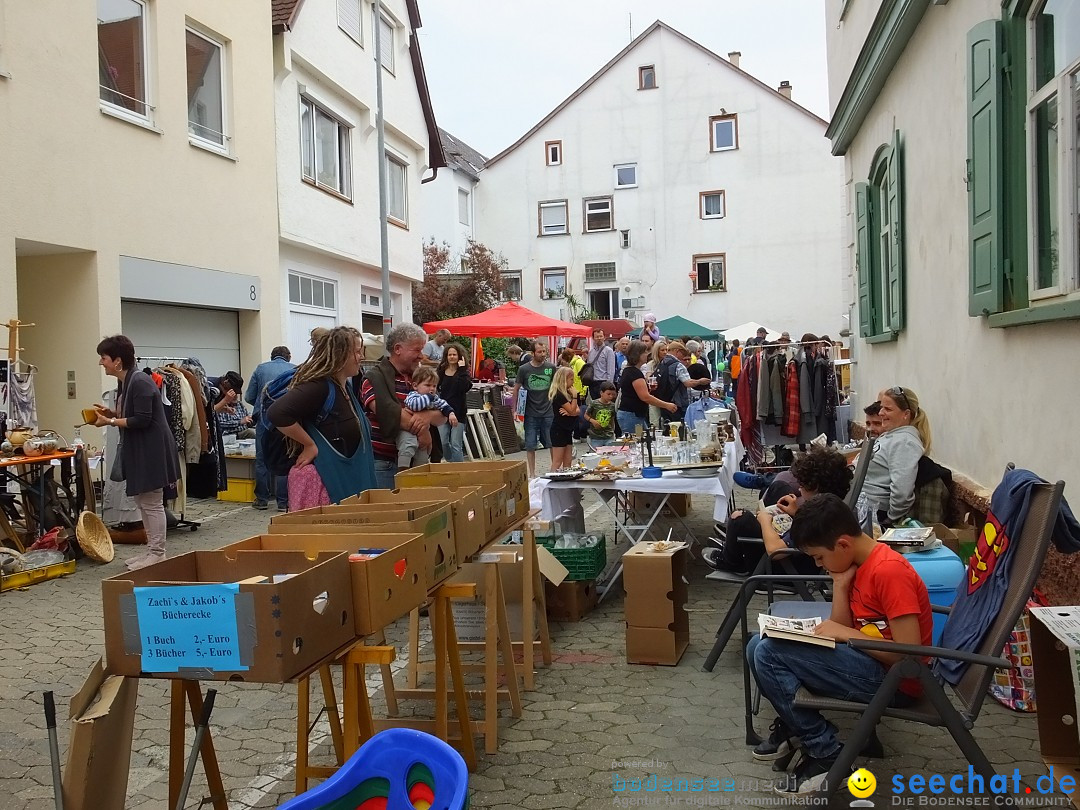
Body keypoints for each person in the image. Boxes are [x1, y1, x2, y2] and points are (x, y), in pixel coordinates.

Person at [747, 494, 932, 793]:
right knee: (758, 644)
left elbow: (909, 655)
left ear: (843, 544)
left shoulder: (889, 571)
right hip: (869, 665)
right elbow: (843, 626)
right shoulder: (858, 562)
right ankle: (801, 731)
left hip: (896, 683)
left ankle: (826, 752)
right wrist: (840, 585)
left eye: (819, 557)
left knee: (768, 654)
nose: (819, 565)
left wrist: (845, 635)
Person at [94, 335, 181, 570]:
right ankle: (151, 551)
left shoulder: (140, 381)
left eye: (104, 358)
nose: (101, 363)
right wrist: (111, 414)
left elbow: (142, 420)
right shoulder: (128, 381)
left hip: (152, 450)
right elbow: (133, 415)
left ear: (118, 361)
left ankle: (157, 553)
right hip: (142, 448)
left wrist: (110, 422)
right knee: (143, 502)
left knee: (151, 502)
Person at [703, 446, 861, 576]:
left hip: (784, 570)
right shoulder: (831, 507)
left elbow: (775, 550)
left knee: (740, 517)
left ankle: (731, 561)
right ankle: (735, 538)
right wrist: (796, 511)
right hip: (795, 553)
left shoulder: (816, 519)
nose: (799, 489)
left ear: (815, 487)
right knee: (779, 488)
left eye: (802, 486)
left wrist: (765, 521)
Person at [267, 326, 376, 509]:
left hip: (344, 485)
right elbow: (277, 412)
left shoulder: (344, 387)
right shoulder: (320, 387)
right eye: (357, 352)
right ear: (341, 355)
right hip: (325, 489)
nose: (362, 357)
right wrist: (310, 445)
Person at [361, 323, 444, 489]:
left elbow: (442, 415)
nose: (421, 356)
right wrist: (424, 430)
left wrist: (427, 417)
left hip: (418, 461)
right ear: (398, 349)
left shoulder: (421, 377)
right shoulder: (373, 377)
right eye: (417, 350)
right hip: (385, 464)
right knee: (390, 512)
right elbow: (390, 412)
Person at [862, 386, 930, 527]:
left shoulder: (905, 442)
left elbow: (902, 492)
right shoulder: (892, 435)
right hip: (862, 505)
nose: (880, 413)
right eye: (882, 408)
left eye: (888, 409)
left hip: (874, 513)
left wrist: (889, 519)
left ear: (906, 414)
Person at [245, 346, 294, 510]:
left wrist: (262, 404)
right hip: (288, 420)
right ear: (288, 357)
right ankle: (283, 502)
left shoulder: (260, 368)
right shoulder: (294, 369)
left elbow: (249, 396)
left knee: (262, 459)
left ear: (272, 356)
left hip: (265, 419)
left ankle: (262, 499)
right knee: (285, 457)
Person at [510, 341, 556, 477]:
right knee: (530, 444)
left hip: (548, 411)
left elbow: (556, 387)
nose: (543, 354)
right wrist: (515, 409)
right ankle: (532, 474)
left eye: (544, 351)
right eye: (540, 352)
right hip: (530, 412)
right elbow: (516, 389)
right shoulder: (524, 369)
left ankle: (554, 470)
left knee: (551, 442)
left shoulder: (551, 367)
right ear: (533, 353)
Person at [398, 366, 457, 469]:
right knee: (408, 445)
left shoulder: (433, 398)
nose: (432, 389)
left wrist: (450, 413)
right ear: (415, 386)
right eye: (428, 385)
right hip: (408, 429)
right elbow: (415, 405)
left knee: (423, 451)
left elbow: (443, 405)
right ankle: (403, 469)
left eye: (434, 386)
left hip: (424, 430)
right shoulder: (413, 395)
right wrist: (429, 398)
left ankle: (418, 472)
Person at [617, 340, 677, 436]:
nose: (647, 354)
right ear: (637, 355)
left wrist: (649, 389)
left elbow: (635, 393)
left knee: (645, 439)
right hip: (632, 415)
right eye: (644, 352)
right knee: (637, 443)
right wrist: (666, 405)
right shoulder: (634, 373)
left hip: (633, 414)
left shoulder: (630, 370)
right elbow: (645, 397)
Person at [654, 341, 712, 426]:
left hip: (664, 402)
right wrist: (700, 381)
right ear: (677, 351)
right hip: (677, 404)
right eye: (683, 353)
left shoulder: (662, 362)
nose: (684, 356)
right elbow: (688, 383)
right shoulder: (678, 365)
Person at [436, 343, 471, 463]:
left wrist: (461, 370)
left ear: (459, 356)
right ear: (446, 356)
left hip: (459, 411)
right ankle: (451, 463)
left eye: (454, 354)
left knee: (456, 444)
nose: (452, 357)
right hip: (442, 411)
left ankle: (460, 470)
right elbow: (435, 387)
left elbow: (465, 387)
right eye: (449, 354)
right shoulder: (441, 371)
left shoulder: (464, 372)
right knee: (443, 442)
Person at [547, 366, 579, 471]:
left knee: (568, 460)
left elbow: (577, 411)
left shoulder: (567, 393)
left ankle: (567, 481)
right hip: (559, 429)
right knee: (557, 461)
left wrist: (571, 413)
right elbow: (572, 410)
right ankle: (550, 482)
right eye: (571, 380)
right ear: (563, 380)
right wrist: (575, 396)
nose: (572, 383)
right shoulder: (558, 394)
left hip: (568, 429)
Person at [214, 371, 254, 439]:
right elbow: (220, 424)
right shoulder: (220, 403)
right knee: (251, 433)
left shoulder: (240, 405)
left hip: (243, 432)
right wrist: (240, 422)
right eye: (232, 392)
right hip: (230, 435)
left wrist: (250, 420)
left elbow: (247, 417)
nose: (235, 395)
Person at [586, 328, 616, 400]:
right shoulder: (591, 351)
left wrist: (609, 386)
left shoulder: (608, 351)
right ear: (593, 338)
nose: (599, 338)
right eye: (597, 337)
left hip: (603, 382)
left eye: (601, 336)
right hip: (592, 382)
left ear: (604, 337)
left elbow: (611, 369)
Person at [584, 382, 618, 446]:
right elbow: (586, 415)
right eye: (608, 394)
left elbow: (612, 419)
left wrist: (613, 431)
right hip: (596, 437)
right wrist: (593, 421)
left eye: (612, 394)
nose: (610, 396)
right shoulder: (594, 403)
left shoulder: (613, 406)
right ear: (601, 393)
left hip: (609, 436)